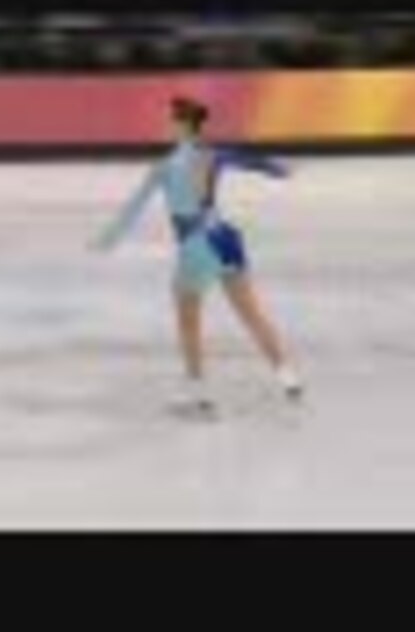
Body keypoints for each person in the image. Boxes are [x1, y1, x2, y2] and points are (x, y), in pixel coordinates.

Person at [90, 96, 304, 415]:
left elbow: (134, 208)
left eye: (170, 120)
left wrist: (106, 240)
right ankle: (288, 377)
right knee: (251, 314)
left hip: (196, 244)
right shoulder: (213, 154)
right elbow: (252, 162)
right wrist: (280, 169)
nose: (166, 124)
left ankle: (198, 395)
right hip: (225, 238)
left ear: (182, 125)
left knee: (188, 322)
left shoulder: (165, 167)